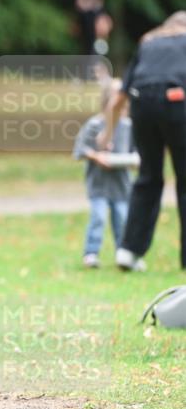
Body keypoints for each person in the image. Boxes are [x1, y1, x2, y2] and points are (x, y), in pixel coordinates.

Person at [99, 11, 186, 271]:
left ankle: (128, 250)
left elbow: (119, 98)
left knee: (148, 175)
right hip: (177, 101)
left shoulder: (148, 43)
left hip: (142, 106)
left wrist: (107, 134)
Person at [73, 79, 140, 268]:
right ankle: (91, 253)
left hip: (121, 185)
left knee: (123, 219)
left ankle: (123, 253)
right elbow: (80, 149)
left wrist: (134, 161)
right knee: (98, 218)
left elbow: (136, 152)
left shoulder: (128, 126)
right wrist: (96, 156)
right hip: (99, 185)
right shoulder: (95, 124)